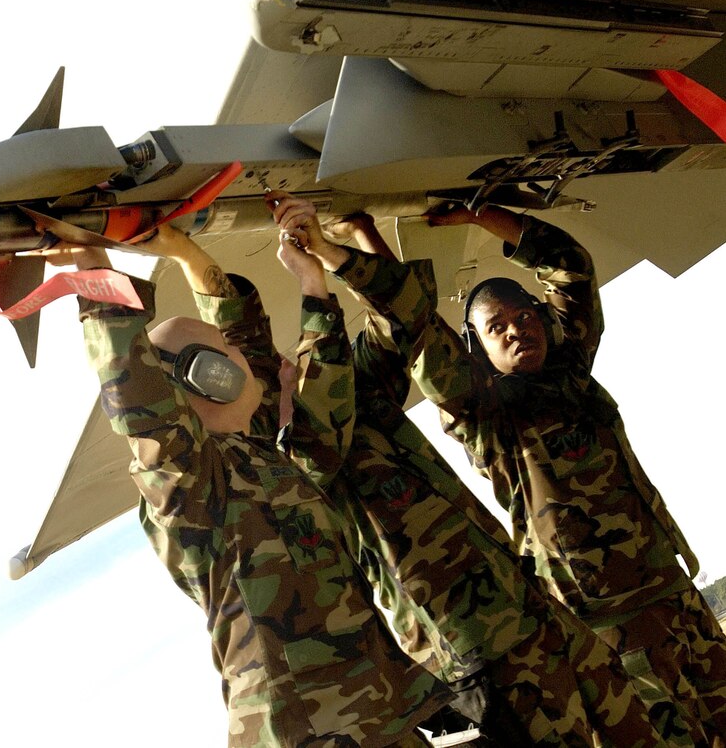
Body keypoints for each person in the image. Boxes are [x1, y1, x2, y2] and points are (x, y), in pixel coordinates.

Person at [70, 240, 453, 747]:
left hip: (380, 713)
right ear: (212, 376)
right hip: (305, 730)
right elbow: (142, 401)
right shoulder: (198, 480)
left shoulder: (262, 456)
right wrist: (90, 263)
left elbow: (245, 333)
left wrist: (185, 252)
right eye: (228, 351)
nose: (250, 356)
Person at [409, 198, 726, 746]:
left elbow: (572, 268)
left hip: (674, 597)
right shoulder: (486, 419)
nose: (515, 331)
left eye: (525, 317)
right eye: (497, 328)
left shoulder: (570, 371)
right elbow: (426, 352)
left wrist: (486, 218)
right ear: (477, 350)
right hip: (602, 628)